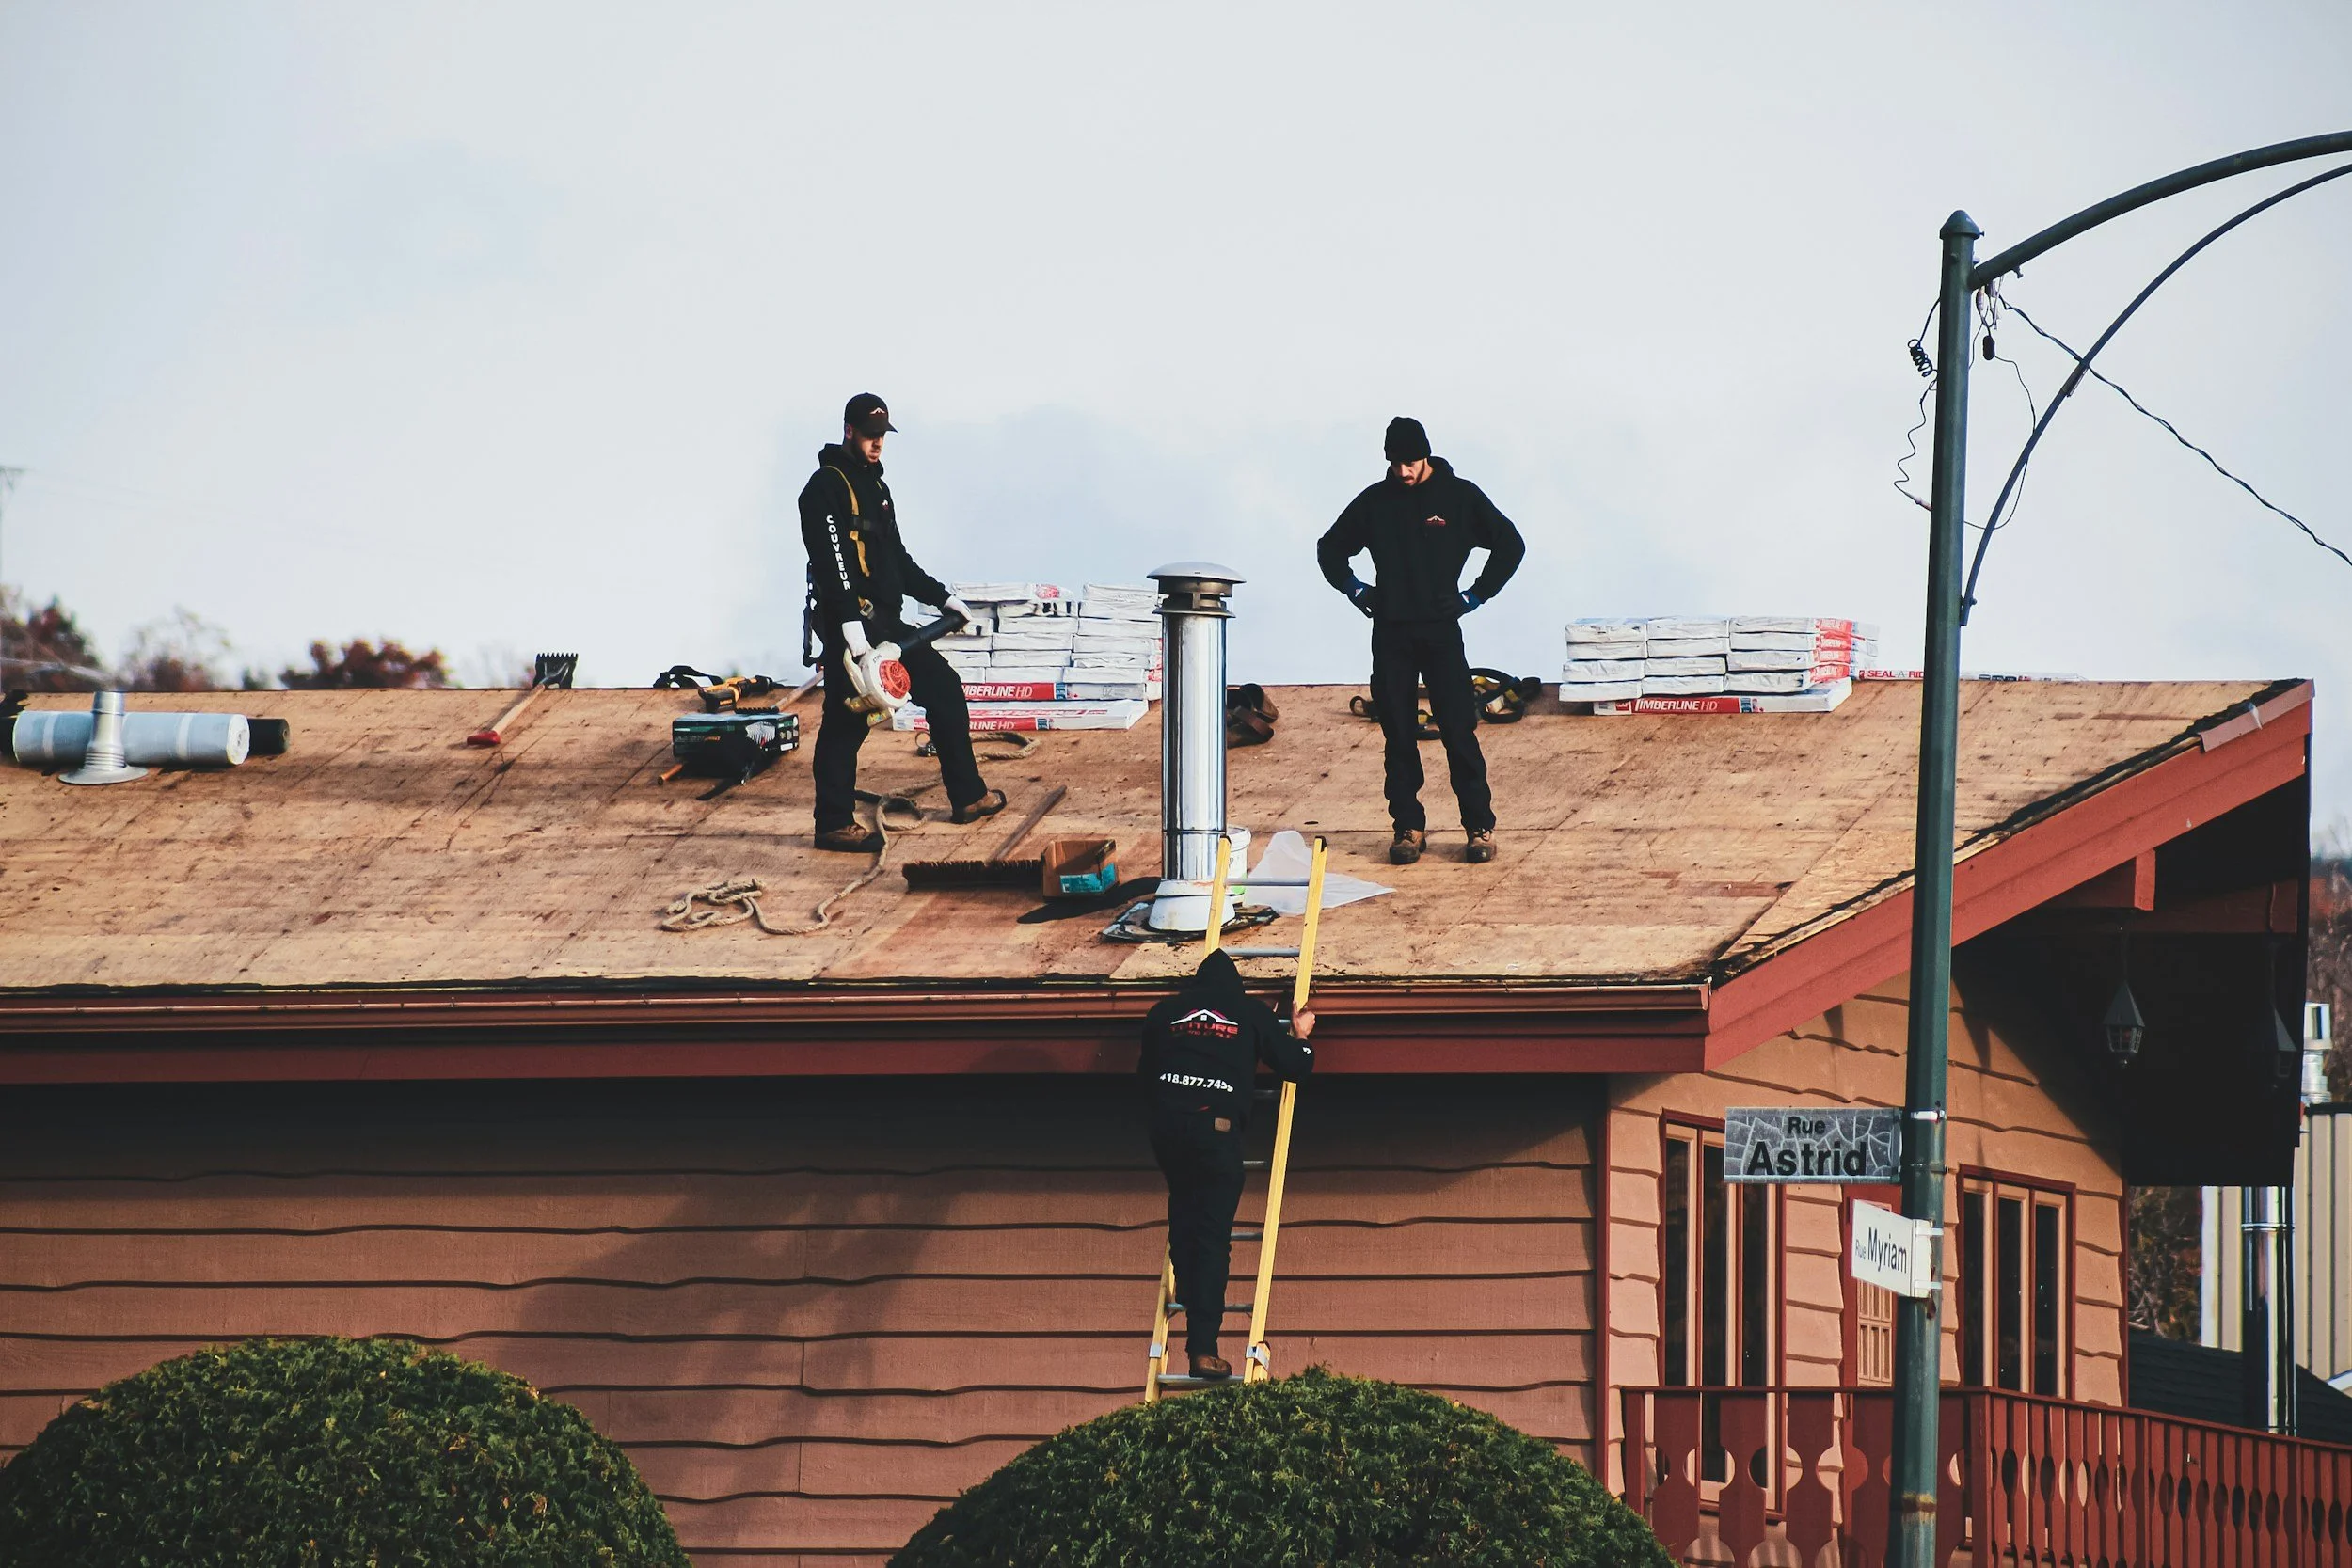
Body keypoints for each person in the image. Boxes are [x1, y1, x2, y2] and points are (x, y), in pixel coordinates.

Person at [798, 393, 1007, 850]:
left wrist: (942, 598)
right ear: (849, 431)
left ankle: (968, 797)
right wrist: (851, 633)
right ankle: (832, 823)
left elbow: (898, 561)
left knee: (944, 689)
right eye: (870, 436)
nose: (877, 444)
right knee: (845, 723)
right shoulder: (824, 488)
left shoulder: (877, 488)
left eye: (882, 437)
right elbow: (832, 564)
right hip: (853, 629)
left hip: (888, 627)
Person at [1316, 416, 1526, 865]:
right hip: (1390, 631)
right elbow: (1329, 548)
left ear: (1426, 455)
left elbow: (1511, 544)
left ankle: (1478, 827)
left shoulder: (1460, 497)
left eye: (1410, 462)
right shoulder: (1375, 502)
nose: (1403, 472)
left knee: (1458, 730)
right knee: (1397, 732)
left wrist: (1474, 596)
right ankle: (1408, 827)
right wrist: (1357, 591)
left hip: (1441, 630)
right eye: (1395, 463)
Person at [1137, 949, 1316, 1380]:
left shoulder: (1163, 1013)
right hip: (1214, 1136)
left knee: (1185, 1227)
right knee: (1213, 1239)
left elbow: (1145, 1077)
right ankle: (1203, 1349)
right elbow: (1296, 1068)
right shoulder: (1249, 1013)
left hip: (1168, 1133)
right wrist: (1301, 1036)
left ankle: (1189, 1291)